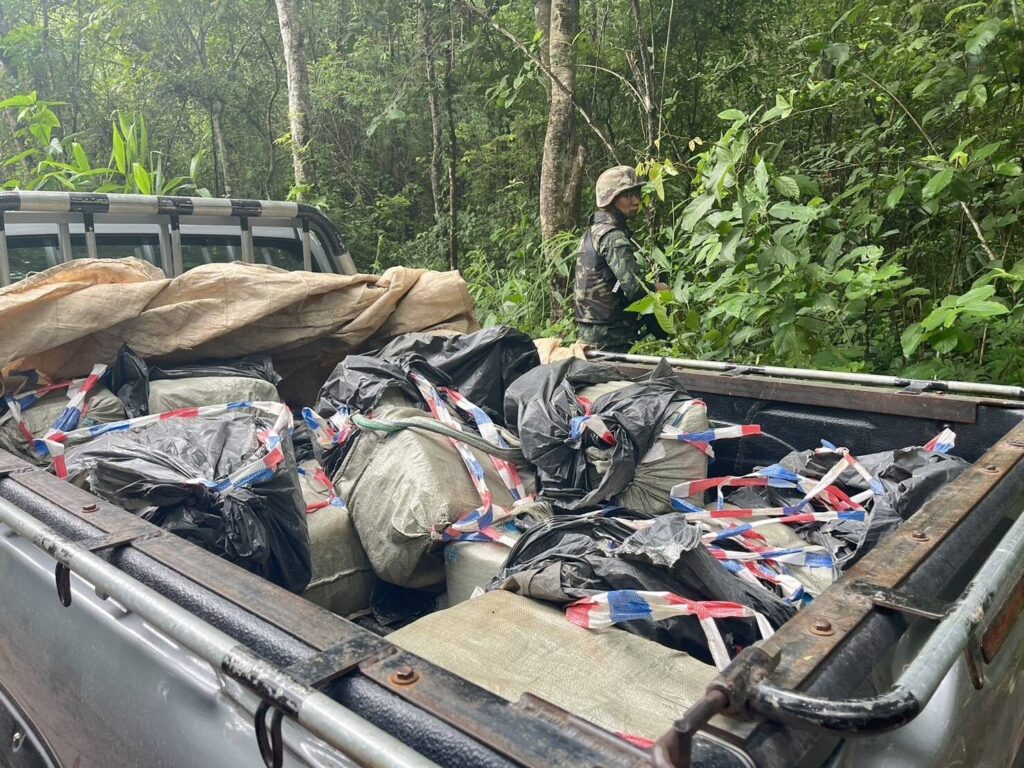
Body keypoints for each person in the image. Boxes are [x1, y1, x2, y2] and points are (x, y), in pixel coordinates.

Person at [573, 165, 668, 352]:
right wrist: (659, 290)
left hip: (592, 328)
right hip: (611, 334)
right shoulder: (612, 235)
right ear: (611, 200)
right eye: (627, 196)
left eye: (636, 194)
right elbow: (634, 289)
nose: (635, 201)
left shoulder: (593, 232)